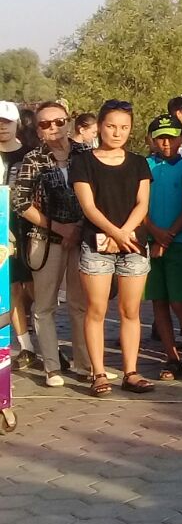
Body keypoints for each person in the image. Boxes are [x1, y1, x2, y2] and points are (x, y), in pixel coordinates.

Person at [69, 100, 154, 396]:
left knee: (131, 311)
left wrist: (126, 232)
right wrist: (115, 232)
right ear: (100, 126)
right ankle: (99, 373)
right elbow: (88, 207)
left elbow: (142, 203)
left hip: (133, 244)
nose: (117, 133)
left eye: (124, 127)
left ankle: (131, 372)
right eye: (111, 126)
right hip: (97, 244)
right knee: (96, 309)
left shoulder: (139, 163)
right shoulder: (83, 162)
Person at [10, 102, 91, 386]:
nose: (53, 128)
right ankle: (52, 367)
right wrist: (57, 227)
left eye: (59, 121)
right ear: (38, 130)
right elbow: (20, 202)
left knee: (80, 303)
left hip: (81, 237)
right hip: (45, 240)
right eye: (45, 124)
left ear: (68, 123)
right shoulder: (32, 159)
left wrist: (78, 228)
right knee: (44, 305)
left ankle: (85, 364)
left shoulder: (86, 154)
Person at [143, 114, 182, 381]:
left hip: (179, 243)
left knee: (180, 302)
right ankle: (171, 357)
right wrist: (154, 234)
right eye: (161, 138)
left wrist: (167, 237)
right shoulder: (145, 166)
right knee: (158, 301)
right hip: (150, 241)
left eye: (171, 137)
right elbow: (139, 205)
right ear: (152, 140)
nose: (166, 143)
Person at [0, 101, 36, 370]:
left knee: (36, 290)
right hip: (3, 231)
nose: (2, 127)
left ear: (17, 124)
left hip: (31, 229)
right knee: (11, 288)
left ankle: (51, 347)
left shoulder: (30, 154)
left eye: (6, 122)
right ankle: (26, 346)